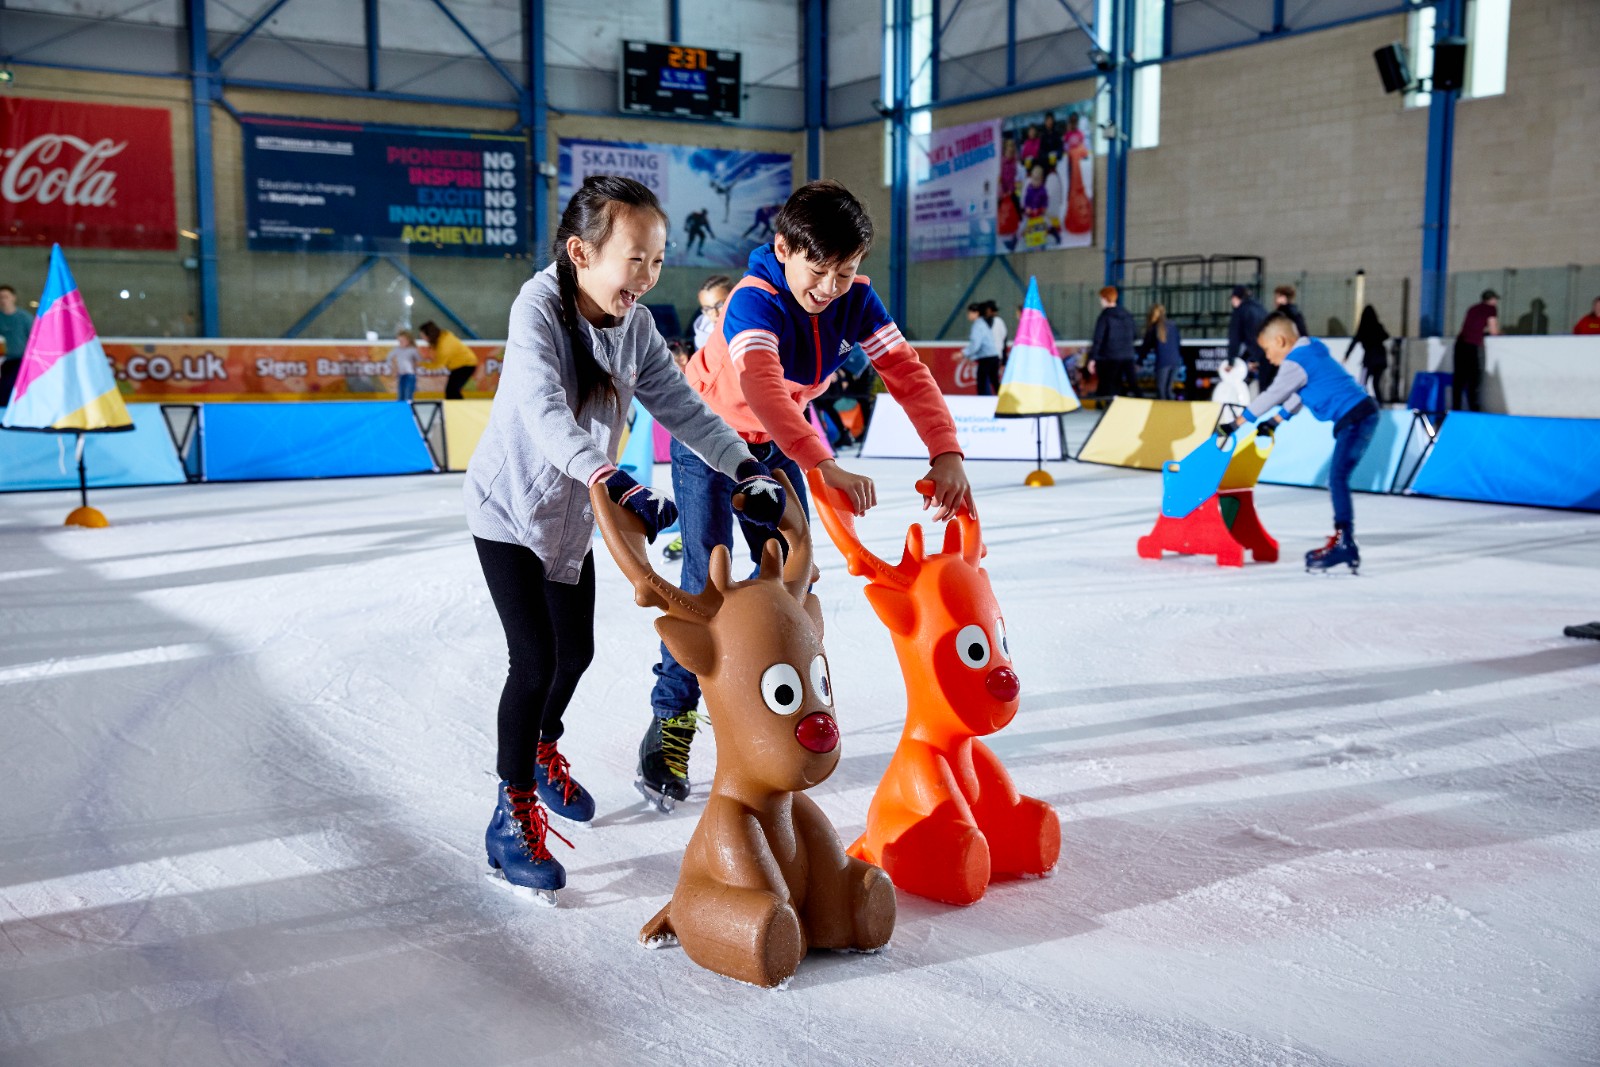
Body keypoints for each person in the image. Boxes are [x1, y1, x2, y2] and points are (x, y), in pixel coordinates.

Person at [462, 175, 786, 900]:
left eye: (658, 261)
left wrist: (746, 467)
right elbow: (546, 414)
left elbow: (686, 410)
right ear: (581, 251)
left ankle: (544, 749)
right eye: (634, 259)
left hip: (575, 521)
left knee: (575, 652)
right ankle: (508, 816)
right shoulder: (537, 309)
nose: (646, 276)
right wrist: (614, 478)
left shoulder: (635, 326)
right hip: (510, 511)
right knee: (536, 657)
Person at [639, 178, 971, 812]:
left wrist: (946, 451)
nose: (831, 287)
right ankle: (670, 723)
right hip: (707, 437)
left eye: (846, 271)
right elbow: (763, 388)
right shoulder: (752, 302)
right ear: (784, 247)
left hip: (773, 443)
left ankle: (787, 706)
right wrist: (823, 465)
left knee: (795, 581)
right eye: (820, 269)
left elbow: (906, 373)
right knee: (702, 580)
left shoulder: (858, 301)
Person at [1217, 311, 1379, 573]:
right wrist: (1276, 422)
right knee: (1338, 477)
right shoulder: (1311, 351)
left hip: (1356, 417)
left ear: (1280, 341)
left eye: (1267, 350)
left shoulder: (1295, 361)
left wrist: (1236, 424)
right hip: (1362, 413)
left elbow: (1273, 394)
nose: (1267, 357)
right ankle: (1344, 540)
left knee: (1337, 478)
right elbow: (1300, 395)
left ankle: (1345, 542)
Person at [1087, 286, 1138, 399]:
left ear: (1105, 298)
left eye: (1101, 298)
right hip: (1127, 355)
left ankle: (1109, 408)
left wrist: (1092, 358)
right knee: (1133, 384)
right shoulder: (1127, 314)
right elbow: (1135, 334)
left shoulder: (1105, 316)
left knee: (1109, 386)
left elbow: (1098, 339)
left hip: (1110, 357)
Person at [1453, 289, 1500, 412]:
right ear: (1492, 299)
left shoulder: (1473, 308)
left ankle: (1455, 409)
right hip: (1471, 345)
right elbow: (1494, 330)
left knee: (1459, 379)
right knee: (1473, 378)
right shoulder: (1491, 309)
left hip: (1460, 344)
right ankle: (1473, 408)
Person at [419, 320, 478, 400]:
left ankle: (460, 409)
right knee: (452, 391)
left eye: (423, 336)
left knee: (452, 391)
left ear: (429, 335)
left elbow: (438, 364)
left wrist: (420, 364)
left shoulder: (444, 345)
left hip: (466, 365)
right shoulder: (442, 336)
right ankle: (458, 409)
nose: (422, 339)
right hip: (460, 365)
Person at [1138, 303, 1183, 400]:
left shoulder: (1153, 328)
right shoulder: (1173, 325)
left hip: (1163, 362)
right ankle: (1172, 411)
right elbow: (1178, 342)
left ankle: (1163, 413)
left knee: (1161, 389)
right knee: (1169, 389)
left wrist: (1139, 362)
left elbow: (1145, 347)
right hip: (1175, 361)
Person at [0, 284, 35, 406]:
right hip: (4, 360)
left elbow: (34, 338)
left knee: (8, 384)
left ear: (13, 298)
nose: (3, 300)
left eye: (6, 297)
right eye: (1, 297)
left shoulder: (25, 318)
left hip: (21, 359)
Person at [1345, 305, 1391, 397]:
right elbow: (1386, 336)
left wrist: (1346, 356)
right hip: (1380, 358)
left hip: (1369, 359)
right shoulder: (1378, 327)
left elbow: (1353, 343)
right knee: (1376, 384)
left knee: (1362, 383)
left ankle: (1363, 402)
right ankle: (1379, 405)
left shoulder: (1363, 329)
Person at [1227, 285, 1268, 385]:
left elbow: (1235, 338)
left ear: (1236, 298)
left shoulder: (1240, 311)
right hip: (1268, 354)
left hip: (1254, 354)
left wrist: (1231, 361)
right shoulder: (1262, 309)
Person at [963, 302, 1002, 396]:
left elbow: (976, 345)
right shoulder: (983, 323)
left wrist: (963, 353)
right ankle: (1004, 401)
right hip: (993, 356)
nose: (968, 315)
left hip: (987, 358)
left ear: (976, 313)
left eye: (969, 313)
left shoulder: (978, 325)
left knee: (982, 383)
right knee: (995, 382)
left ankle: (983, 404)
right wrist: (970, 357)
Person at [690, 274, 733, 352]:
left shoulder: (753, 326)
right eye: (708, 309)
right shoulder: (700, 342)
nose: (715, 314)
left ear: (733, 297)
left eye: (720, 305)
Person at [391, 329, 421, 402]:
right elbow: (396, 362)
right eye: (399, 341)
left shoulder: (413, 350)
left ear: (408, 341)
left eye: (402, 341)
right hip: (402, 375)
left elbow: (417, 362)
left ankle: (408, 410)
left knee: (408, 395)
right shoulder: (399, 351)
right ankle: (401, 410)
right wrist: (396, 370)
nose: (400, 343)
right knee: (401, 395)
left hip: (410, 376)